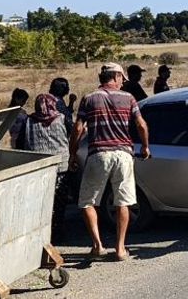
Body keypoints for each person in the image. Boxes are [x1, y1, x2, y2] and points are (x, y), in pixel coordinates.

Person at [69, 62, 150, 261]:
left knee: (88, 202)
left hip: (98, 154)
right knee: (123, 202)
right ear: (115, 77)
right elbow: (140, 124)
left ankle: (97, 246)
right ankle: (121, 249)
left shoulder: (89, 98)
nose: (123, 82)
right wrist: (145, 146)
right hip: (123, 154)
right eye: (122, 78)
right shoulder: (129, 98)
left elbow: (78, 128)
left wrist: (72, 153)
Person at [20, 93, 71, 240]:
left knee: (40, 201)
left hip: (38, 167)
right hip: (61, 167)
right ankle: (58, 230)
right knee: (59, 202)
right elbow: (72, 135)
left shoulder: (28, 121)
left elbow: (20, 143)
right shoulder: (62, 118)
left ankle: (41, 231)